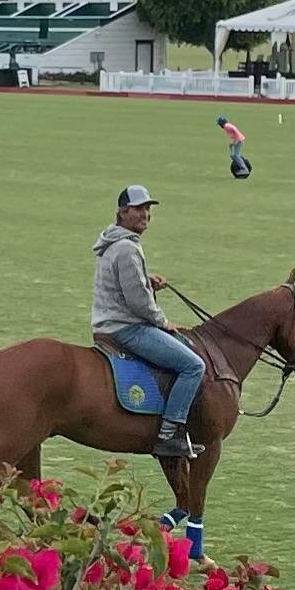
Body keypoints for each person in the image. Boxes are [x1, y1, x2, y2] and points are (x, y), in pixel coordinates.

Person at [91, 186, 205, 459]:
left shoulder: (114, 242)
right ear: (122, 212)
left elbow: (126, 284)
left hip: (109, 322)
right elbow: (138, 303)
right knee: (193, 365)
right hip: (126, 327)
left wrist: (146, 279)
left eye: (147, 209)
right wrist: (162, 321)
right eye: (139, 209)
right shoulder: (127, 249)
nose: (145, 214)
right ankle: (169, 433)